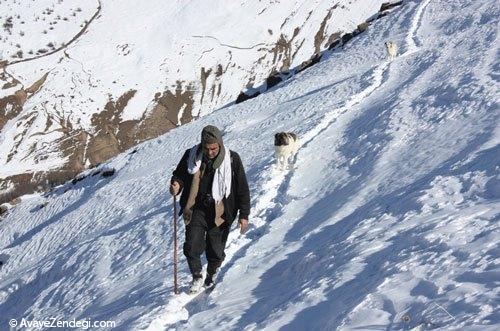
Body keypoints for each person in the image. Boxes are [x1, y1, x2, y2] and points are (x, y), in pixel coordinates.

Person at [170, 125, 250, 293]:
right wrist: (177, 183)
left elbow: (241, 187)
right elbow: (180, 174)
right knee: (192, 246)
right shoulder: (191, 155)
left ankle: (212, 273)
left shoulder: (232, 159)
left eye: (213, 148)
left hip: (220, 211)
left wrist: (244, 214)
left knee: (216, 250)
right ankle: (197, 276)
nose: (210, 151)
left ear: (219, 144)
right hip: (196, 208)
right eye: (206, 148)